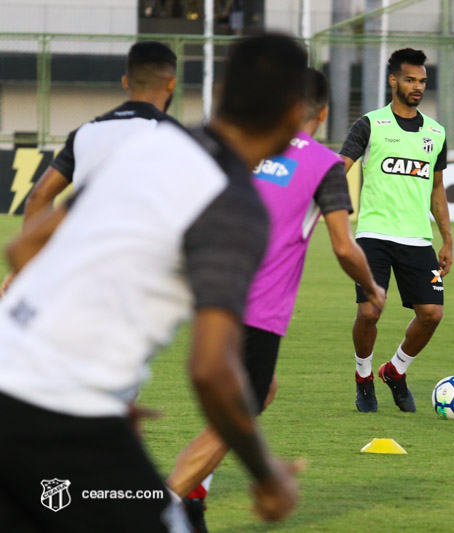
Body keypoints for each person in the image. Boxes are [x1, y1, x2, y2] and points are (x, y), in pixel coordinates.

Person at [0, 32, 308, 533]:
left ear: (222, 90)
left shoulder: (153, 147)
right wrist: (267, 475)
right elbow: (212, 369)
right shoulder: (234, 204)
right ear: (295, 115)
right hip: (61, 417)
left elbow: (24, 247)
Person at [168, 68, 387, 532]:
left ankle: (193, 495)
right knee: (237, 415)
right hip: (259, 312)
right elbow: (345, 247)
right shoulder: (324, 164)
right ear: (323, 113)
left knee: (256, 396)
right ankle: (161, 508)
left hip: (211, 298)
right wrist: (371, 289)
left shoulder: (243, 146)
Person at [1, 40, 178, 294]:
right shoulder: (172, 134)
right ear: (171, 83)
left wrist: (24, 270)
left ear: (126, 82)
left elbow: (39, 196)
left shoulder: (85, 132)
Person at [339, 48, 453, 413]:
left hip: (418, 237)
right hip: (373, 235)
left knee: (432, 314)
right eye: (410, 80)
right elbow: (340, 167)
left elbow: (437, 189)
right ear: (393, 80)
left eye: (422, 81)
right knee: (370, 311)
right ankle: (363, 376)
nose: (417, 87)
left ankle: (396, 370)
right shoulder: (370, 124)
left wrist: (447, 238)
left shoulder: (436, 133)